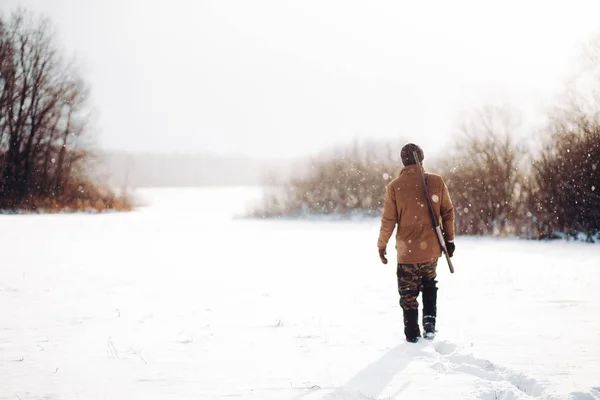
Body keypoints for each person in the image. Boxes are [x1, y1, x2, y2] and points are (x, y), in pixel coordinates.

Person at [377, 143, 455, 343]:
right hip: (432, 250)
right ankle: (429, 324)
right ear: (421, 158)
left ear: (403, 161)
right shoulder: (436, 182)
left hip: (406, 252)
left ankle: (412, 334)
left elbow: (388, 221)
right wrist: (449, 239)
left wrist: (382, 245)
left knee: (408, 294)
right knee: (429, 283)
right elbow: (447, 212)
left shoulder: (394, 187)